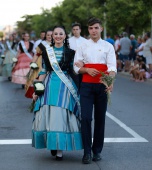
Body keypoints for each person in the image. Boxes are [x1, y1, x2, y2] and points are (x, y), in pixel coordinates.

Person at [32, 26, 83, 160]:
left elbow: (75, 70)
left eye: (61, 34)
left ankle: (59, 148)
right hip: (50, 85)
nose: (58, 36)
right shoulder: (46, 52)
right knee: (49, 114)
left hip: (65, 86)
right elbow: (43, 71)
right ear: (52, 36)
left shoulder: (71, 52)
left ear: (65, 36)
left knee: (61, 115)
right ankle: (52, 144)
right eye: (56, 34)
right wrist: (37, 90)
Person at [74, 18, 117, 164]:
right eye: (91, 28)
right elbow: (76, 67)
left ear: (101, 29)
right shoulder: (82, 46)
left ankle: (97, 150)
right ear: (88, 29)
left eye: (96, 28)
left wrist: (110, 82)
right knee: (85, 118)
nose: (93, 30)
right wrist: (86, 69)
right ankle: (87, 152)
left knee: (100, 119)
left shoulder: (108, 46)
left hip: (102, 86)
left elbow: (112, 67)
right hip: (86, 86)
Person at [25, 30, 53, 98]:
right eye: (48, 35)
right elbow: (36, 55)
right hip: (43, 66)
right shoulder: (42, 44)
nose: (49, 36)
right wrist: (32, 64)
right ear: (45, 36)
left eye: (51, 35)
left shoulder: (57, 43)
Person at [69, 23, 87, 90]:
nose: (75, 31)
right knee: (74, 83)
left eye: (77, 29)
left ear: (80, 30)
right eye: (74, 29)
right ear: (72, 31)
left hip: (83, 64)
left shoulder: (85, 41)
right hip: (72, 64)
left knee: (82, 82)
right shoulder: (68, 41)